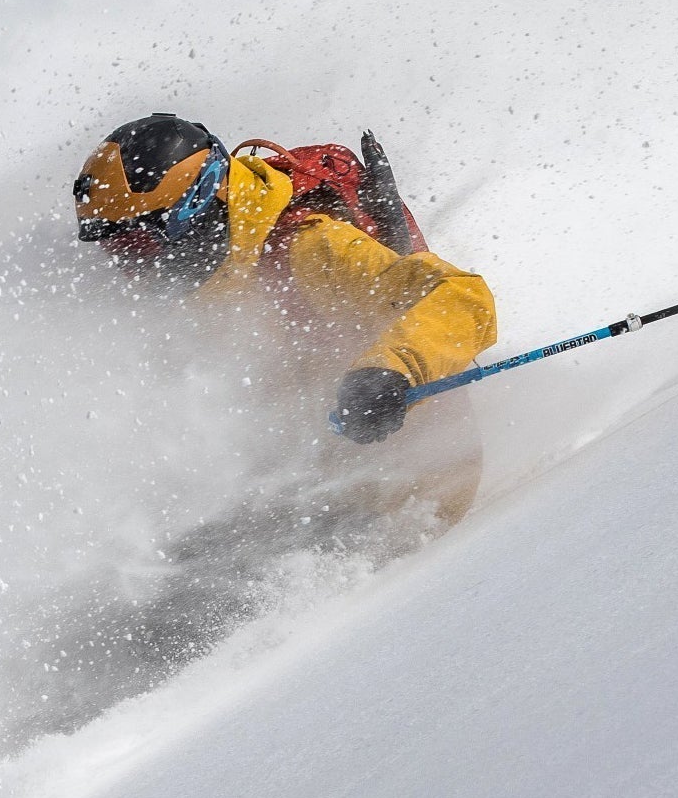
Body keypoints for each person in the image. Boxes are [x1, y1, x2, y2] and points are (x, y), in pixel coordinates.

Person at [73, 112, 498, 553]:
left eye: (140, 246)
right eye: (116, 250)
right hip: (296, 489)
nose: (133, 271)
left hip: (413, 489)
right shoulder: (204, 284)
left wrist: (390, 371)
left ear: (196, 204)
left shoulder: (308, 247)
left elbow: (461, 296)